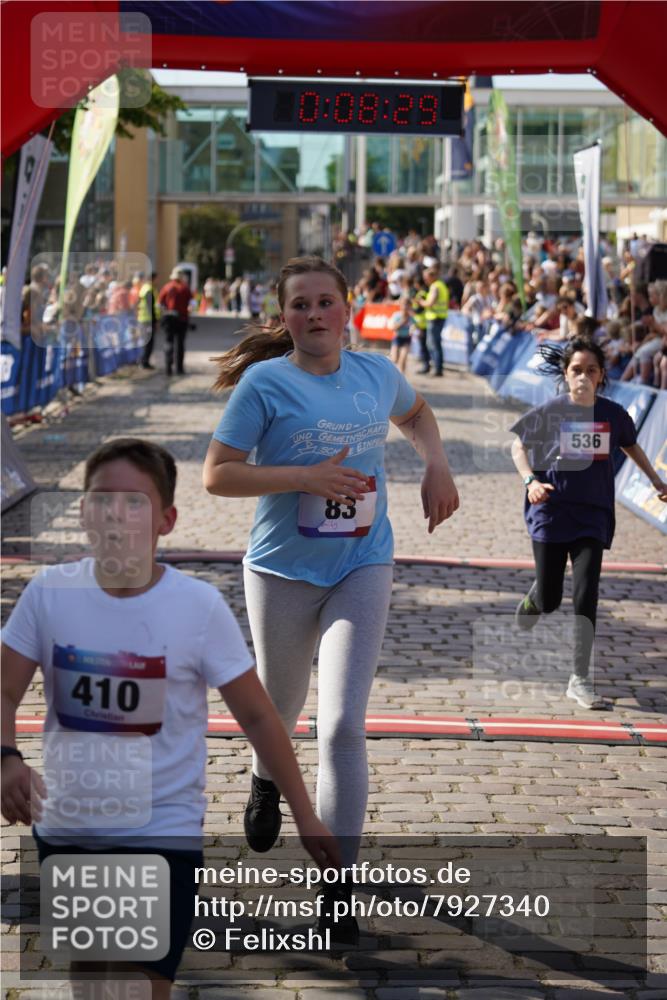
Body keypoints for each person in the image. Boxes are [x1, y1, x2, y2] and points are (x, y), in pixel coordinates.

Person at [1, 438, 339, 996]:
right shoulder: (48, 595)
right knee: (91, 980)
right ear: (84, 512)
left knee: (138, 984)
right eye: (101, 499)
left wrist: (305, 814)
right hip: (71, 828)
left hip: (160, 830)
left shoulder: (196, 608)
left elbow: (258, 717)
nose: (115, 513)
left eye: (134, 502)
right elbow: (5, 690)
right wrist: (7, 758)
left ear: (166, 520)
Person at [203, 255, 459, 941]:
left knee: (342, 724)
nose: (313, 315)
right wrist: (303, 477)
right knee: (278, 710)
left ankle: (336, 884)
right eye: (299, 305)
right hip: (282, 570)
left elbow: (419, 413)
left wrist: (435, 463)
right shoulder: (264, 383)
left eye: (325, 302)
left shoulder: (376, 374)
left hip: (362, 562)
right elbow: (217, 476)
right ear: (283, 316)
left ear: (348, 308)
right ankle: (264, 778)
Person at [511, 338, 667, 709]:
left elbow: (631, 446)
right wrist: (530, 481)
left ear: (602, 376)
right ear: (566, 375)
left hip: (593, 514)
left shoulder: (613, 415)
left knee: (586, 595)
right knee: (551, 599)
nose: (583, 376)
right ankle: (538, 597)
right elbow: (518, 446)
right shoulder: (550, 411)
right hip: (551, 510)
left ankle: (580, 678)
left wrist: (656, 481)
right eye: (576, 370)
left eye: (591, 370)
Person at [158, 269, 191, 376]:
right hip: (182, 319)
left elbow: (159, 304)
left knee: (169, 342)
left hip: (168, 318)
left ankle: (168, 368)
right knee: (180, 344)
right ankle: (179, 368)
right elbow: (193, 304)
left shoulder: (166, 287)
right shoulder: (185, 288)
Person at [421, 265, 450, 376]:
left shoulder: (435, 287)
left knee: (433, 344)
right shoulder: (441, 285)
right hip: (439, 317)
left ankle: (437, 369)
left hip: (435, 318)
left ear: (432, 277)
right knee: (435, 343)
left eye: (426, 277)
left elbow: (430, 303)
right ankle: (437, 368)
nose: (425, 280)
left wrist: (421, 302)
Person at [138, 271, 159, 370]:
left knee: (148, 342)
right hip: (147, 320)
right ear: (153, 279)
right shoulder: (148, 290)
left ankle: (145, 362)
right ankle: (144, 362)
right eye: (157, 279)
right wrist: (154, 321)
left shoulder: (147, 288)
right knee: (148, 342)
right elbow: (150, 307)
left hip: (146, 319)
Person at [388, 296, 412, 373]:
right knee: (394, 359)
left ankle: (401, 377)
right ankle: (390, 370)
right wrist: (402, 322)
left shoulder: (411, 317)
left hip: (407, 339)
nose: (405, 307)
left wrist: (414, 329)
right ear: (400, 305)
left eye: (407, 305)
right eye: (403, 305)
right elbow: (393, 328)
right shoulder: (396, 315)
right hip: (397, 338)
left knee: (403, 358)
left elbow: (415, 326)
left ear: (410, 306)